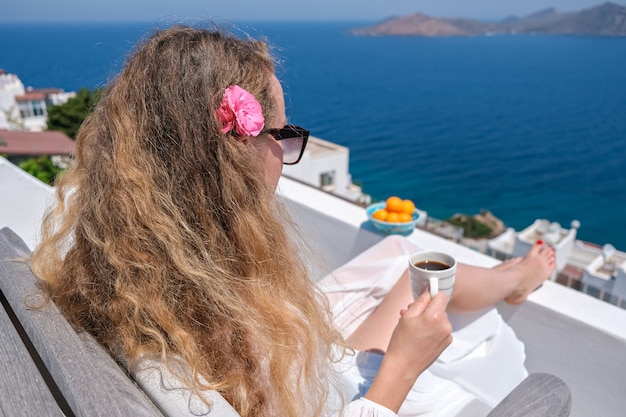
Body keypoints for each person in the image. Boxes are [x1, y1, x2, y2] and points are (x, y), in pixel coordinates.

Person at [30, 25, 556, 417]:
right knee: (433, 276)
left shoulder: (138, 277)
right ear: (236, 156)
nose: (286, 151)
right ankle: (519, 277)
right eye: (283, 135)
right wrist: (401, 367)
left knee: (410, 264)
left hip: (315, 376)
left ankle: (514, 277)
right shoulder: (204, 340)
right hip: (355, 397)